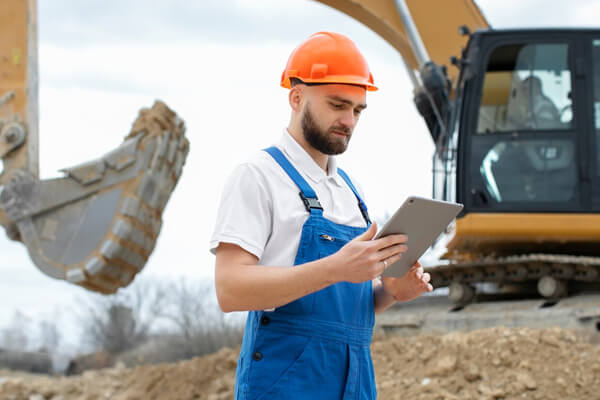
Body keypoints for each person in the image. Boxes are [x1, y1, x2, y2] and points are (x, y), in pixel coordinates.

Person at [210, 31, 433, 400]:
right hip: (288, 384)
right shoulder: (258, 176)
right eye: (337, 105)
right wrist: (335, 268)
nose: (349, 120)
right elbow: (229, 289)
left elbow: (341, 308)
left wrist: (391, 293)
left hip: (354, 382)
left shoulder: (351, 191)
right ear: (296, 97)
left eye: (358, 110)